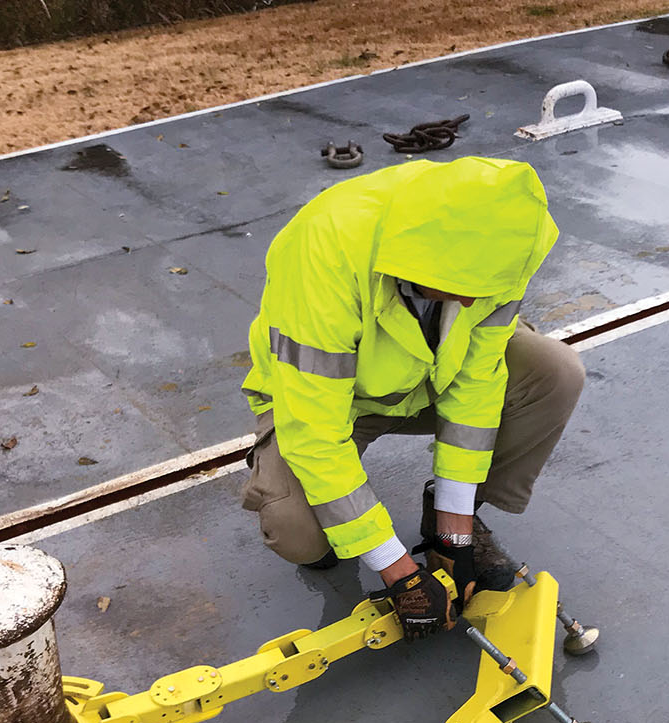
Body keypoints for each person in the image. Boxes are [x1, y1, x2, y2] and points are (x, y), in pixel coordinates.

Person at [239, 156, 584, 640]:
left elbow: (476, 387)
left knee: (555, 372)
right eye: (458, 288)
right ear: (421, 254)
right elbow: (316, 432)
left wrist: (453, 532)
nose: (469, 303)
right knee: (299, 534)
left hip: (425, 379)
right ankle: (291, 486)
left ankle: (445, 513)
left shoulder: (503, 240)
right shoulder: (326, 250)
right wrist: (397, 571)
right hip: (330, 400)